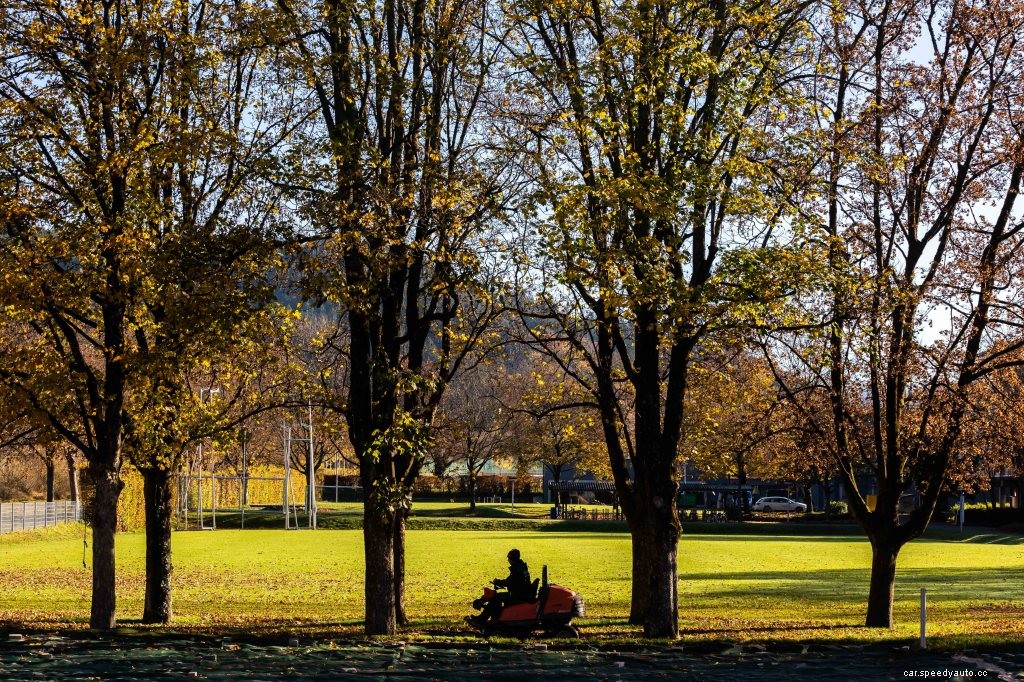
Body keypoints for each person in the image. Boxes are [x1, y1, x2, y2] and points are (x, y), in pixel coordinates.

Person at [468, 549, 531, 628]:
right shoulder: (521, 566)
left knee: (495, 598)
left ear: (512, 559)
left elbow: (509, 582)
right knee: (496, 597)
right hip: (521, 593)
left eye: (508, 558)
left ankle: (490, 620)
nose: (508, 560)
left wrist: (498, 582)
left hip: (518, 595)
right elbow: (511, 581)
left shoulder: (517, 569)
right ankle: (483, 618)